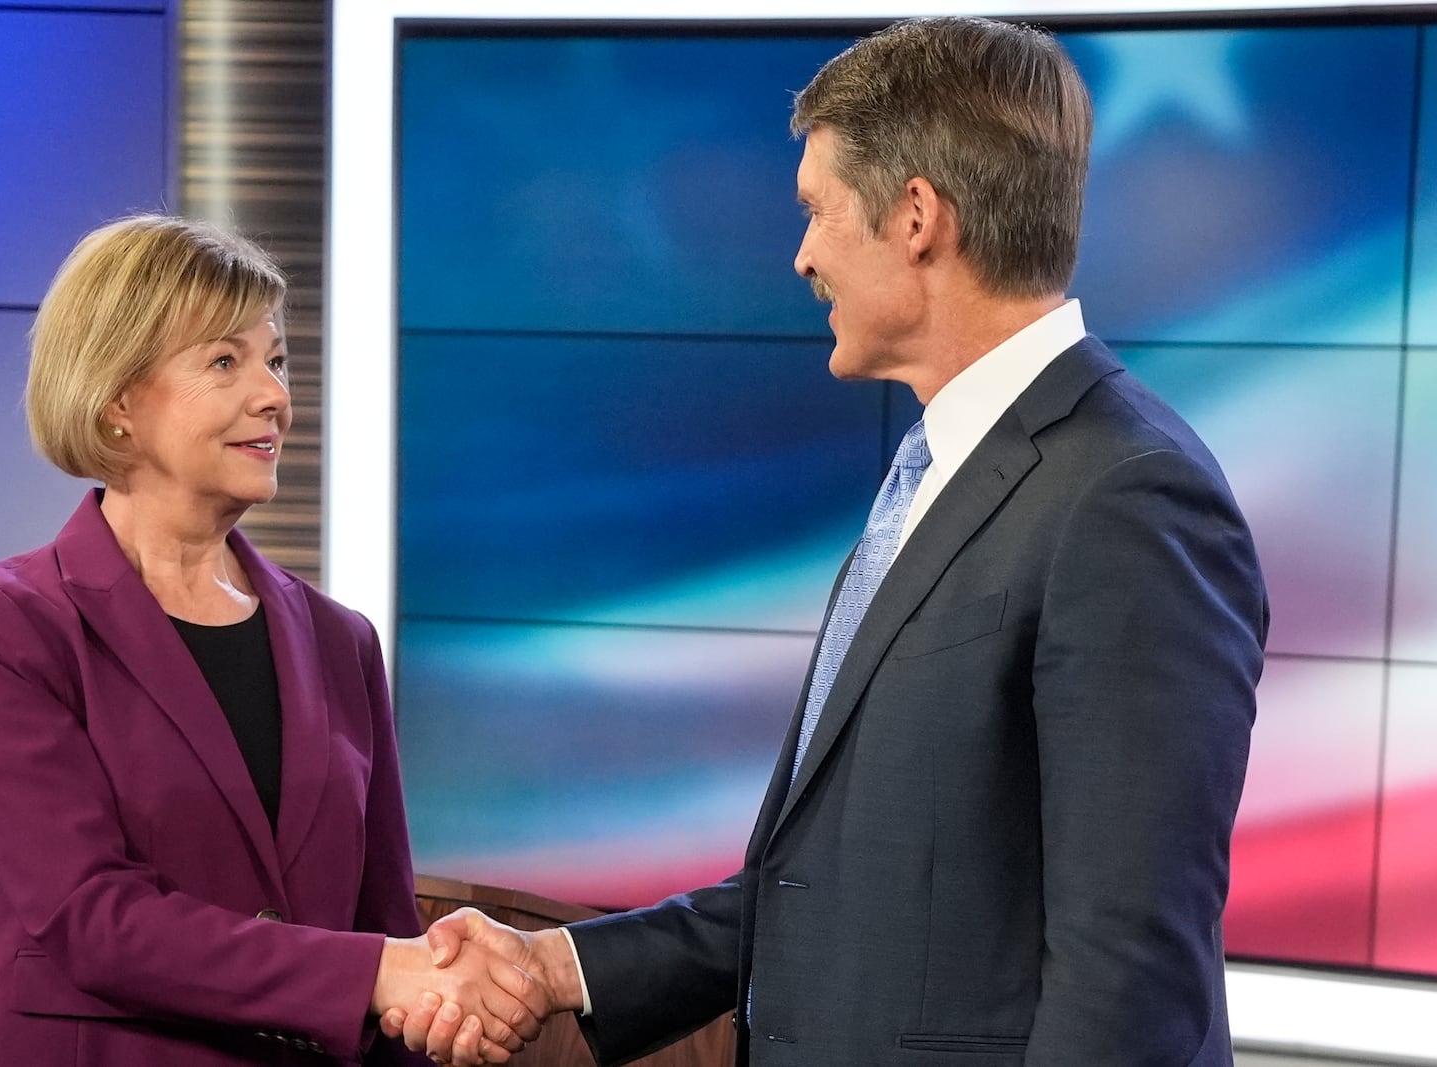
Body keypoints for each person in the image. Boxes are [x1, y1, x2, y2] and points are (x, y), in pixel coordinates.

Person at [386, 16, 1268, 1066]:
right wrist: (557, 967)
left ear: (914, 216)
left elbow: (1129, 971)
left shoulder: (1127, 496)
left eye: (816, 209)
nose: (802, 254)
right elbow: (820, 884)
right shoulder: (936, 475)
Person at [0, 215, 547, 1067]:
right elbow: (89, 917)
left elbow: (385, 933)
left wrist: (441, 1006)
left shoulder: (342, 643)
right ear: (117, 403)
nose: (274, 395)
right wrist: (380, 973)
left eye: (276, 360)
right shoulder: (1, 621)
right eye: (225, 361)